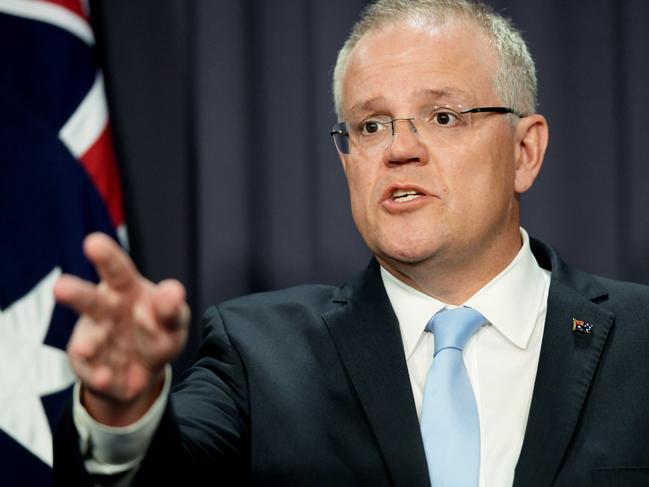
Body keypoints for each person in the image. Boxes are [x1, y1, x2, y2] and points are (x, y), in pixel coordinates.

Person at [53, 0, 649, 486]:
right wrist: (122, 412)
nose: (399, 149)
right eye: (370, 125)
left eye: (442, 117)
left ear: (525, 151)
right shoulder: (259, 356)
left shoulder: (640, 340)